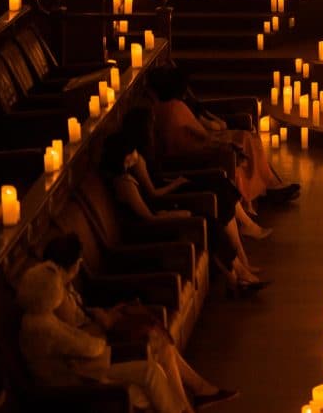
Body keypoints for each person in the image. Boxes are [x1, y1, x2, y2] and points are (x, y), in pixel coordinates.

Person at [40, 234, 237, 410]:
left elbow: (80, 321)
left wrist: (101, 313)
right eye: (78, 262)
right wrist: (105, 321)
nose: (80, 265)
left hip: (98, 344)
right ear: (70, 265)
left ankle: (196, 395)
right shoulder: (58, 301)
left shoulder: (63, 289)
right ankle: (193, 398)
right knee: (155, 352)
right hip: (94, 356)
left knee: (162, 345)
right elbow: (78, 342)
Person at [99, 130, 269, 296]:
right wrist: (175, 215)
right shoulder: (125, 184)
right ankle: (237, 276)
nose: (136, 153)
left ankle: (237, 275)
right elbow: (148, 217)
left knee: (211, 221)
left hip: (157, 220)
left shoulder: (127, 177)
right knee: (209, 225)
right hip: (151, 232)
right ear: (126, 156)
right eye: (132, 151)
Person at [17, 262, 190, 413]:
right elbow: (88, 348)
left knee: (149, 378)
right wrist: (101, 338)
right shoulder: (44, 327)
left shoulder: (35, 319)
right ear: (51, 292)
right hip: (80, 379)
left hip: (81, 370)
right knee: (149, 374)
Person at [148, 68, 295, 212]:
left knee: (248, 139)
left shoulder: (161, 108)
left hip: (191, 146)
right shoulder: (176, 107)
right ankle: (265, 186)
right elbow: (202, 133)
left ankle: (269, 184)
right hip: (195, 149)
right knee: (245, 139)